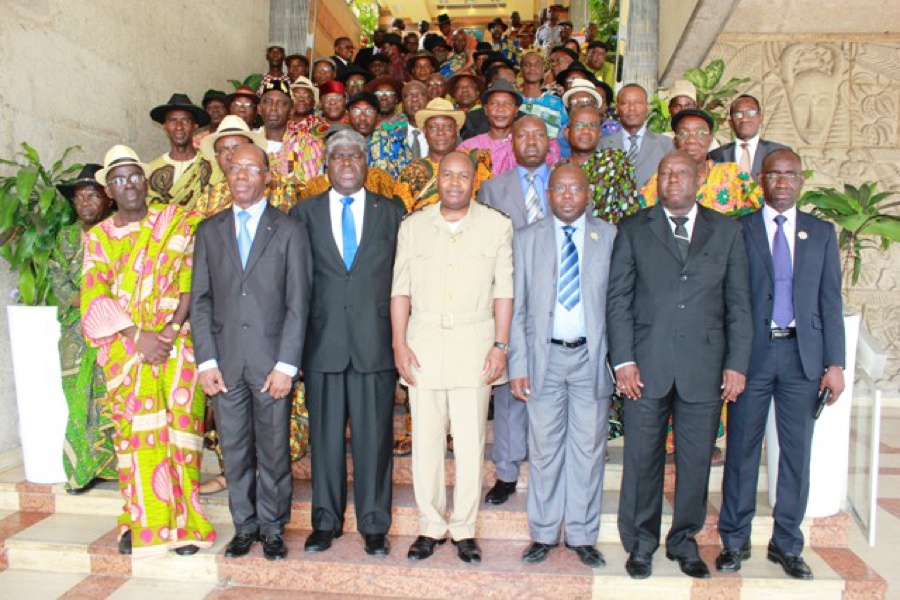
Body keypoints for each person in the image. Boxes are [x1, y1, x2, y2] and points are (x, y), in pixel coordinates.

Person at [607, 150, 752, 580]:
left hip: (705, 368)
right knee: (641, 460)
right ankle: (640, 543)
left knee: (695, 462)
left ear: (697, 180)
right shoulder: (634, 228)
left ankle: (684, 541)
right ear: (657, 180)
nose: (673, 180)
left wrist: (737, 363)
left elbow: (739, 304)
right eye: (666, 173)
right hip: (645, 366)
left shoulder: (726, 231)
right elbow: (618, 301)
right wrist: (624, 360)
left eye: (682, 174)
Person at [717, 149, 845, 580]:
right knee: (741, 453)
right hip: (750, 358)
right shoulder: (739, 231)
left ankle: (787, 544)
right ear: (761, 180)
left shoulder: (822, 233)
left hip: (801, 359)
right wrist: (729, 360)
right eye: (776, 175)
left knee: (795, 456)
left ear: (801, 180)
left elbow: (831, 301)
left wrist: (835, 363)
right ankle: (734, 541)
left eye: (791, 175)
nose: (784, 182)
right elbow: (729, 301)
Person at [82, 145, 215, 558]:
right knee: (135, 440)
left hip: (176, 348)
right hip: (128, 351)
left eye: (135, 176)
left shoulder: (179, 223)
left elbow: (192, 281)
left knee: (180, 435)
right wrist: (137, 336)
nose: (129, 185)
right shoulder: (99, 238)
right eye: (119, 180)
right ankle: (141, 520)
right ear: (109, 190)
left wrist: (170, 331)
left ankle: (186, 524)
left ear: (147, 180)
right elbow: (94, 295)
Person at [191, 144, 312, 561]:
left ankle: (273, 527)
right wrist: (205, 360)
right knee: (235, 449)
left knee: (274, 450)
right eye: (235, 168)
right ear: (227, 175)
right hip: (224, 365)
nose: (241, 175)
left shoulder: (290, 230)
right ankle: (244, 527)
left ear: (267, 176)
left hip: (271, 365)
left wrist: (286, 365)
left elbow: (299, 302)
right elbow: (201, 300)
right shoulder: (209, 230)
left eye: (251, 169)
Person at [392, 151, 513, 564]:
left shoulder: (497, 226)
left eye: (464, 176)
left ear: (474, 180)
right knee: (425, 442)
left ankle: (463, 528)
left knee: (469, 443)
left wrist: (500, 345)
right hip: (422, 344)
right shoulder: (413, 226)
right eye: (448, 175)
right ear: (438, 178)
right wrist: (399, 344)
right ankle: (429, 526)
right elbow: (400, 291)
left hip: (475, 346)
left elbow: (504, 292)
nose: (456, 183)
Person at [290, 129, 405, 557]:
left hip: (375, 342)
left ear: (367, 163)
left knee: (375, 438)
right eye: (338, 156)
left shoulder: (391, 212)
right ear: (327, 164)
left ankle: (374, 523)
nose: (347, 163)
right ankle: (326, 522)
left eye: (355, 155)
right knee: (325, 440)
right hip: (322, 343)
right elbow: (297, 282)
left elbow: (402, 281)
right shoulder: (303, 213)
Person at [509, 164, 616, 568]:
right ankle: (543, 533)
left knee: (588, 449)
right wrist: (518, 363)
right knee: (544, 449)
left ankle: (583, 534)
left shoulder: (608, 236)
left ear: (588, 194)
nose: (568, 196)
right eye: (560, 189)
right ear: (548, 193)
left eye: (576, 189)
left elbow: (618, 305)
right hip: (544, 359)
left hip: (591, 358)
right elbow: (517, 307)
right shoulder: (526, 239)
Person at [475, 116, 555, 506]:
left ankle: (547, 466)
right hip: (508, 300)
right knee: (510, 389)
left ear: (549, 141)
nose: (530, 141)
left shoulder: (565, 184)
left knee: (552, 386)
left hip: (558, 301)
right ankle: (506, 471)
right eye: (522, 135)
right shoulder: (491, 188)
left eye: (538, 135)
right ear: (511, 142)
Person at [52, 164, 116, 495]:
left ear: (108, 199)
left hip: (112, 331)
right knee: (78, 398)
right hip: (76, 335)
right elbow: (57, 279)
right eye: (79, 198)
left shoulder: (120, 231)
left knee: (110, 398)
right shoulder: (65, 237)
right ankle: (82, 471)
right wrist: (89, 298)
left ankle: (115, 467)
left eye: (93, 196)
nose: (85, 203)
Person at [641, 109, 762, 217]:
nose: (691, 140)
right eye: (683, 134)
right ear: (675, 141)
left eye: (700, 133)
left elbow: (761, 213)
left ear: (710, 139)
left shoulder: (731, 175)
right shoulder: (659, 181)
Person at [394, 98, 492, 214]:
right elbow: (400, 216)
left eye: (447, 127)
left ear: (456, 130)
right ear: (425, 131)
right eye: (433, 127)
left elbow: (487, 206)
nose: (440, 132)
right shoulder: (411, 172)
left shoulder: (476, 161)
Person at [459, 79, 561, 175]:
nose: (500, 109)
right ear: (486, 110)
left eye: (507, 103)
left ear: (516, 110)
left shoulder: (531, 145)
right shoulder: (470, 147)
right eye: (494, 103)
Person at [563, 106, 639, 225]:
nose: (585, 131)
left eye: (592, 125)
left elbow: (630, 213)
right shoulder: (557, 171)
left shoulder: (616, 162)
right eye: (579, 125)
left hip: (609, 241)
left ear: (599, 133)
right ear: (567, 132)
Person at [598, 84, 674, 189]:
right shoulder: (602, 145)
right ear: (617, 109)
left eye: (638, 102)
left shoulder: (666, 145)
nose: (632, 108)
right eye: (625, 103)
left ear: (647, 107)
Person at [146, 93, 215, 209]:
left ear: (195, 125)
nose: (179, 126)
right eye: (173, 121)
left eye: (185, 120)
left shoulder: (212, 165)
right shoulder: (151, 170)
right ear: (165, 125)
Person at [257, 79, 324, 192]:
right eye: (268, 102)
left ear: (291, 111)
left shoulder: (307, 144)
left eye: (281, 103)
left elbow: (307, 187)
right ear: (259, 109)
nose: (273, 108)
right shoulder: (249, 143)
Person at [709, 94, 790, 178]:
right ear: (730, 122)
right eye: (738, 114)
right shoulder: (716, 155)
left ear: (760, 118)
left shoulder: (779, 152)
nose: (744, 119)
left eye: (751, 113)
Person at [519, 50, 567, 138]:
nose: (532, 68)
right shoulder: (513, 100)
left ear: (543, 71)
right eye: (527, 64)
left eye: (537, 65)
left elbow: (564, 134)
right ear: (521, 70)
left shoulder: (557, 103)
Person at [399, 81, 429, 160]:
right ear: (402, 103)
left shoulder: (442, 133)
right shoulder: (392, 134)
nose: (415, 99)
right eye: (408, 95)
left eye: (421, 95)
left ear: (428, 100)